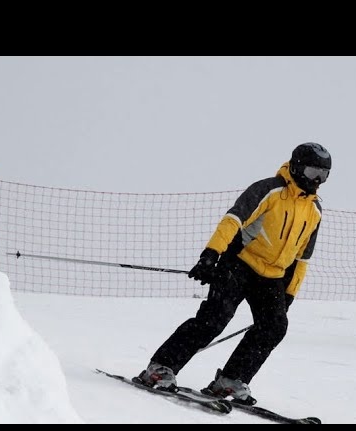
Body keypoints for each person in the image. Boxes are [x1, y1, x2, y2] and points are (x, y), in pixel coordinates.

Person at [135, 142, 332, 404]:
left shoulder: (315, 210)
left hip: (272, 276)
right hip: (239, 263)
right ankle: (160, 368)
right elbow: (234, 219)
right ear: (296, 167)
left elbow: (302, 258)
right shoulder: (269, 190)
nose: (317, 180)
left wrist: (289, 293)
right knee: (215, 319)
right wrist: (211, 254)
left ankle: (230, 380)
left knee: (274, 327)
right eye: (311, 172)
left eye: (324, 175)